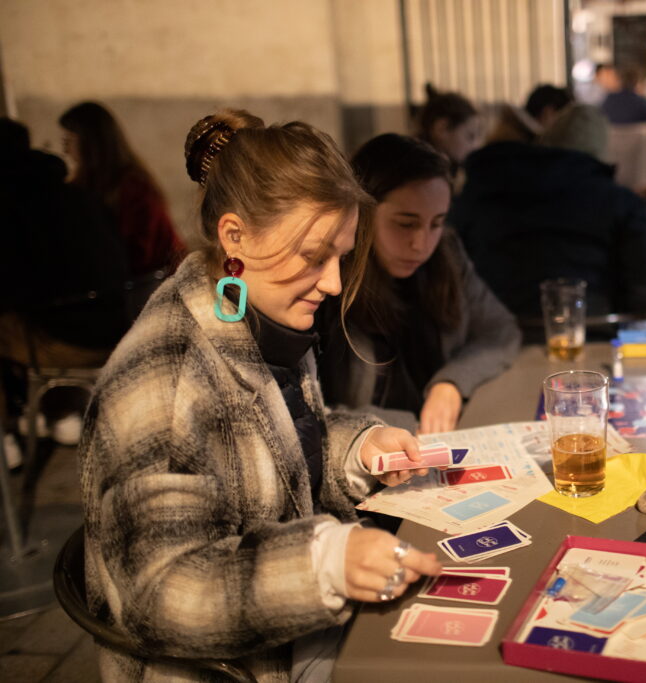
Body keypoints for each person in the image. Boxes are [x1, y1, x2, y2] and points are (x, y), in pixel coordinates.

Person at [79, 110, 443, 681]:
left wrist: (361, 447)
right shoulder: (165, 376)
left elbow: (287, 448)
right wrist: (323, 565)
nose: (333, 282)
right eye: (314, 256)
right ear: (234, 236)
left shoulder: (256, 313)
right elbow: (158, 593)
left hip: (288, 638)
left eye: (341, 257)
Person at [317, 134, 520, 435]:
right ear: (361, 213)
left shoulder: (446, 255)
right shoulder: (329, 280)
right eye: (406, 223)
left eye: (436, 223)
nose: (422, 244)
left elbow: (501, 331)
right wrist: (411, 427)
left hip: (444, 440)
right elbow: (316, 411)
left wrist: (451, 383)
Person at [450, 104, 646, 321]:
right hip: (593, 331)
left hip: (497, 333)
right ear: (600, 153)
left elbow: (453, 266)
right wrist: (614, 307)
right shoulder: (618, 200)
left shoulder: (485, 188)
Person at [0, 117, 128, 457]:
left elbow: (14, 288)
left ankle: (7, 437)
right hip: (119, 325)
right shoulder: (82, 196)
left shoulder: (13, 209)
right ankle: (57, 412)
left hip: (71, 339)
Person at [59, 101, 184, 276]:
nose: (65, 149)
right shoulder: (84, 183)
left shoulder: (133, 187)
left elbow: (141, 253)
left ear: (90, 143)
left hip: (150, 285)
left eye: (69, 140)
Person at [416, 84, 482, 172]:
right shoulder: (421, 174)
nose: (476, 146)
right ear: (441, 128)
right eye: (470, 136)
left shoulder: (446, 169)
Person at [601, 64, 646, 146]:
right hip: (640, 153)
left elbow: (601, 122)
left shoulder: (608, 100)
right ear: (637, 82)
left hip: (612, 151)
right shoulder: (640, 102)